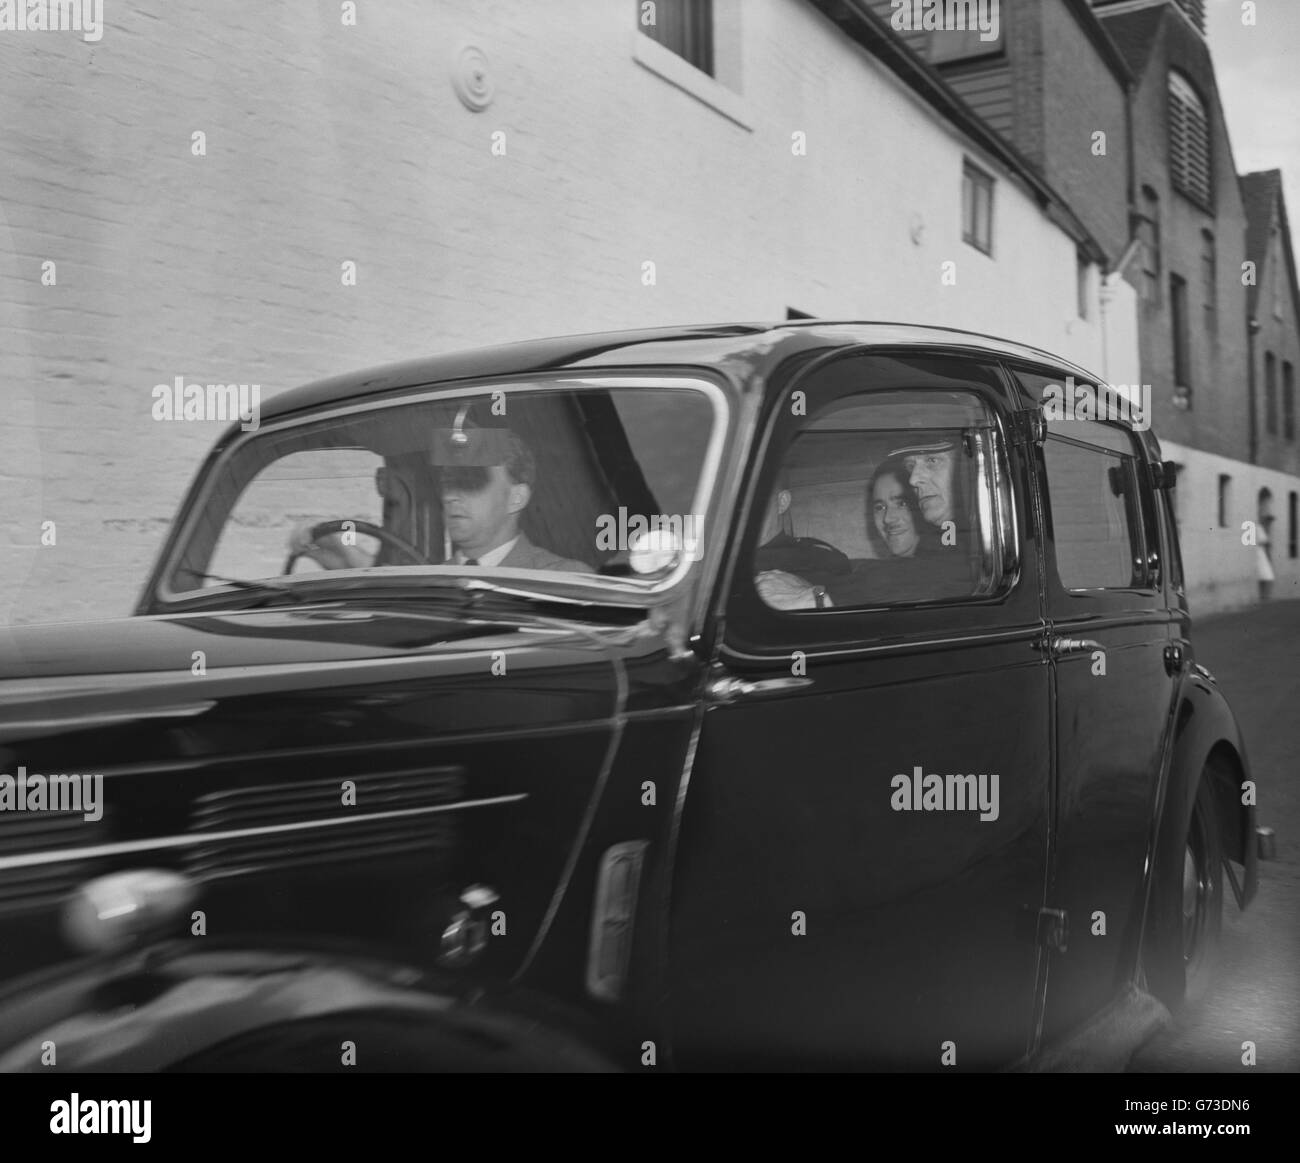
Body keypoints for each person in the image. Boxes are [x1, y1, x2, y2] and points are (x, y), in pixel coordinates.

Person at [290, 427, 589, 573]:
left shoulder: (562, 577)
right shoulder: (429, 579)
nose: (451, 495)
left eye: (472, 481)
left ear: (516, 497)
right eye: (446, 481)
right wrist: (350, 564)